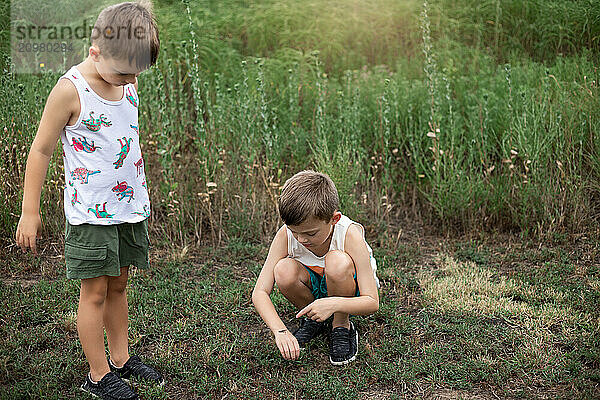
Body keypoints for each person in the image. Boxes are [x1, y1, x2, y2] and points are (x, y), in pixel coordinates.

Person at [15, 2, 162, 399]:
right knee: (94, 291)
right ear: (95, 50)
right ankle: (97, 375)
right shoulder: (69, 90)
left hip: (128, 206)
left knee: (119, 286)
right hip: (90, 215)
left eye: (136, 72)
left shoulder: (126, 73)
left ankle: (120, 358)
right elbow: (41, 150)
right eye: (124, 73)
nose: (130, 80)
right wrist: (30, 211)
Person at [252, 170, 380, 365]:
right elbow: (260, 292)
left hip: (347, 288)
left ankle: (341, 325)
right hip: (317, 284)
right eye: (295, 232)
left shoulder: (349, 235)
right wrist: (280, 331)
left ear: (334, 219)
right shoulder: (285, 235)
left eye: (310, 233)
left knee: (337, 262)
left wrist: (334, 304)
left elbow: (372, 302)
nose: (301, 239)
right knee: (283, 270)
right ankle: (313, 319)